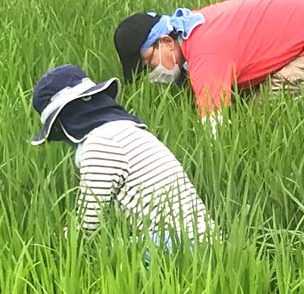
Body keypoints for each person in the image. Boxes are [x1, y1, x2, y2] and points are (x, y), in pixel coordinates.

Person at [114, 0, 304, 129]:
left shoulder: (205, 55)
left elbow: (215, 129)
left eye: (149, 63)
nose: (152, 72)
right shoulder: (193, 31)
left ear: (167, 42)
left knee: (258, 119)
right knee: (245, 102)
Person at [30, 64, 213, 246]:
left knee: (107, 253)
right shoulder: (128, 131)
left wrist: (57, 241)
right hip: (203, 241)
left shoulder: (100, 144)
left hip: (179, 244)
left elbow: (88, 226)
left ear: (64, 122)